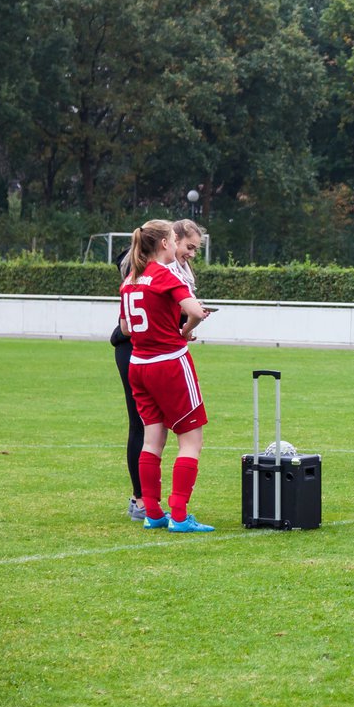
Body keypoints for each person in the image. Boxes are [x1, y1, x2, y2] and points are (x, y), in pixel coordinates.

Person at [118, 220, 213, 532]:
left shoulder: (131, 277)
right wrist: (184, 331)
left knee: (152, 439)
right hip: (169, 363)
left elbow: (127, 328)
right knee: (191, 440)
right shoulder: (165, 274)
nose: (176, 245)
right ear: (163, 244)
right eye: (174, 240)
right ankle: (181, 516)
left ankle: (154, 513)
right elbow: (196, 311)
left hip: (138, 364)